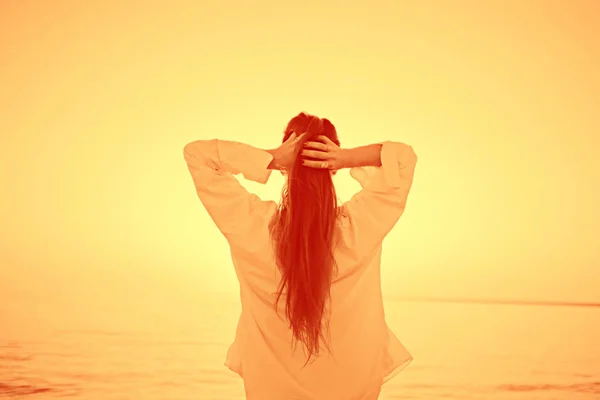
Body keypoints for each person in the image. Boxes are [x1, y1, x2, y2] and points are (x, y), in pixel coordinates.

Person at [183, 112, 418, 400]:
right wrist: (344, 158)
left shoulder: (253, 228)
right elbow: (403, 158)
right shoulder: (358, 228)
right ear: (333, 169)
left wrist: (270, 158)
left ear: (285, 167)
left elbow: (197, 154)